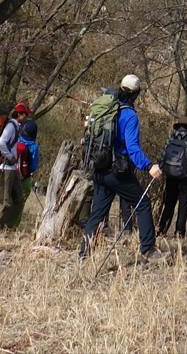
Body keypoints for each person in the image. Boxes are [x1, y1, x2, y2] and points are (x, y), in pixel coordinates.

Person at [80, 73, 162, 264]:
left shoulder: (107, 109)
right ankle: (148, 250)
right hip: (118, 170)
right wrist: (149, 166)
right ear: (136, 94)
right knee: (143, 204)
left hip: (99, 168)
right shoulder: (130, 115)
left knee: (97, 214)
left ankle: (83, 254)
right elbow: (132, 148)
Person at [0, 100, 34, 232]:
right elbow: (1, 142)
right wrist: (10, 157)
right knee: (5, 202)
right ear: (19, 114)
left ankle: (10, 227)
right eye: (25, 115)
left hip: (12, 169)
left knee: (19, 198)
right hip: (6, 168)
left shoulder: (16, 126)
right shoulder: (11, 126)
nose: (26, 118)